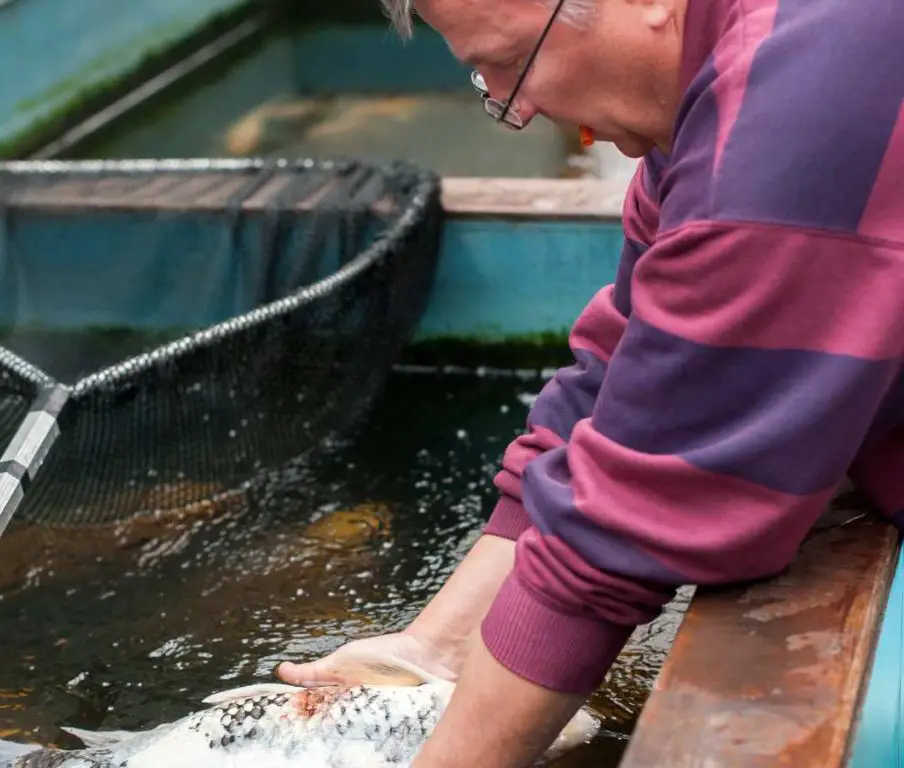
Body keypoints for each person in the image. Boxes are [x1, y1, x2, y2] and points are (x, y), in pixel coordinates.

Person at [278, 0, 904, 764]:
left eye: (512, 61)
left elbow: (631, 519)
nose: (521, 109)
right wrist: (430, 650)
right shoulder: (717, 96)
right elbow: (621, 372)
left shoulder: (785, 124)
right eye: (485, 79)